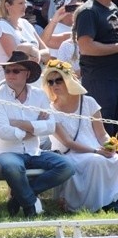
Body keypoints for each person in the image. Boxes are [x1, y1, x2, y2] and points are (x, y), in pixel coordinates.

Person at [0, 51, 75, 217]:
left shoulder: (39, 95)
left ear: (27, 73)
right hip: (6, 153)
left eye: (15, 71)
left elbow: (51, 127)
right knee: (13, 168)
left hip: (34, 151)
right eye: (7, 71)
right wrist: (34, 128)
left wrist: (21, 124)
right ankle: (30, 206)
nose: (10, 74)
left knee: (67, 167)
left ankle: (19, 197)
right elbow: (3, 131)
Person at [42, 60, 118, 212]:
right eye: (50, 82)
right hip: (69, 153)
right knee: (95, 161)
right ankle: (96, 205)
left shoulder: (89, 102)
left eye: (59, 80)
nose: (54, 85)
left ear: (69, 80)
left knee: (114, 159)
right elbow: (67, 142)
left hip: (95, 148)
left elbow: (101, 133)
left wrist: (110, 146)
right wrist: (96, 151)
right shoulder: (50, 110)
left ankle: (112, 200)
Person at [75, 0, 118, 135]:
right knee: (104, 132)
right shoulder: (89, 11)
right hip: (99, 81)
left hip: (114, 78)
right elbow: (86, 47)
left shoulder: (113, 8)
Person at [0, 0, 50, 79]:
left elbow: (47, 53)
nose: (25, 6)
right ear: (7, 5)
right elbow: (16, 60)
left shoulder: (26, 23)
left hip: (36, 82)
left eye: (25, 2)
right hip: (13, 84)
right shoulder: (1, 27)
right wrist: (35, 54)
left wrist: (34, 54)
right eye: (20, 3)